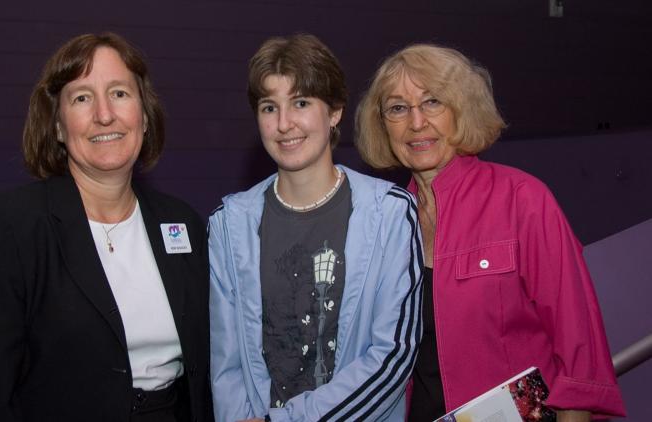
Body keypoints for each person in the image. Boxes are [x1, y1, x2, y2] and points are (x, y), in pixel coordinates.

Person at [355, 43, 626, 421]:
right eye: (398, 108)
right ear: (382, 124)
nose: (416, 123)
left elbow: (582, 357)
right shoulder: (384, 221)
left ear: (462, 109)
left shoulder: (522, 200)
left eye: (433, 102)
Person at [0, 32, 213, 422]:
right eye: (82, 98)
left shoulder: (184, 224)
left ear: (144, 114)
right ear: (58, 126)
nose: (104, 114)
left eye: (120, 93)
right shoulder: (7, 227)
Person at [208, 34, 423, 422]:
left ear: (335, 111)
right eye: (269, 107)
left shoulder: (391, 212)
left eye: (302, 103)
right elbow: (226, 364)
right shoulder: (228, 223)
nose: (284, 123)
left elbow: (393, 355)